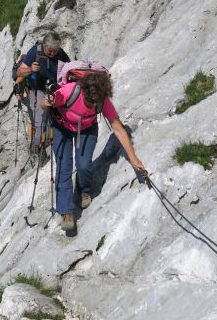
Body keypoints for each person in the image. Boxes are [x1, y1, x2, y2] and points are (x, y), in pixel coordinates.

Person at [43, 71, 146, 231]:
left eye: (95, 101)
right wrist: (48, 102)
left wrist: (133, 158)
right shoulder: (70, 91)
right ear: (84, 90)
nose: (92, 104)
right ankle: (66, 212)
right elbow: (46, 103)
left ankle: (84, 190)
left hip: (86, 129)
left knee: (83, 164)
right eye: (90, 100)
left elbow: (118, 128)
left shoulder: (102, 100)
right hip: (61, 127)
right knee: (64, 167)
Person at [15, 31, 71, 151]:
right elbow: (19, 72)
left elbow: (70, 68)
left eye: (55, 50)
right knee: (41, 116)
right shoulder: (35, 51)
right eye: (50, 50)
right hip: (40, 88)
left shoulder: (60, 54)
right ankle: (37, 146)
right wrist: (30, 69)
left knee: (58, 115)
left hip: (57, 88)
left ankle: (57, 140)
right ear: (44, 46)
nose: (52, 53)